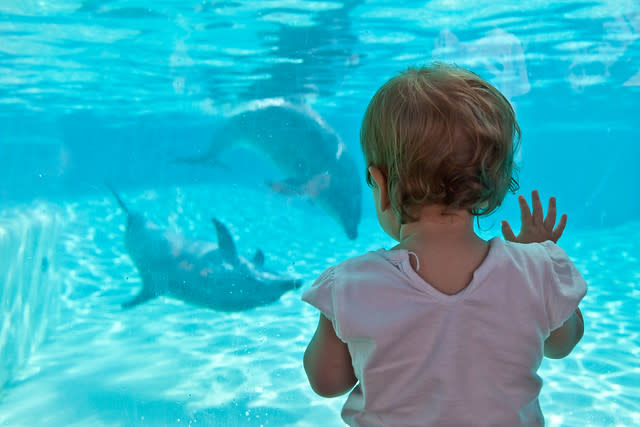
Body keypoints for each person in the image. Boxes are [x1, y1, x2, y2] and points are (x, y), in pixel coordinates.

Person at [301, 64, 587, 426]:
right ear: (497, 179)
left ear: (380, 183)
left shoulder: (348, 286)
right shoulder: (536, 270)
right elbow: (562, 344)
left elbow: (326, 382)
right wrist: (541, 258)